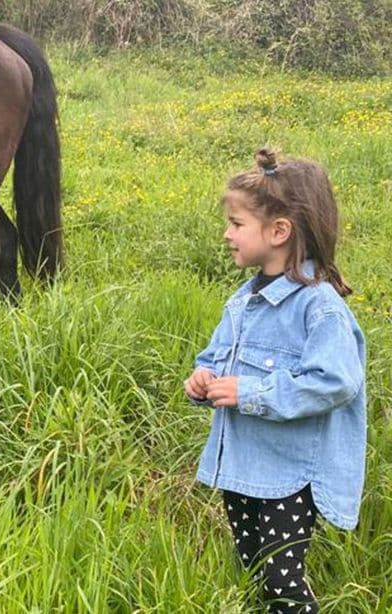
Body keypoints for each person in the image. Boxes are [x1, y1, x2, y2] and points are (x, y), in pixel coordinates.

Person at [184, 148, 367, 613]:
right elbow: (215, 357)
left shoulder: (319, 307)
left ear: (279, 231)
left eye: (236, 223)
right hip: (242, 468)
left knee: (282, 585)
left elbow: (336, 381)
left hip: (287, 478)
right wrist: (204, 379)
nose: (227, 234)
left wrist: (253, 392)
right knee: (252, 572)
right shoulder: (240, 302)